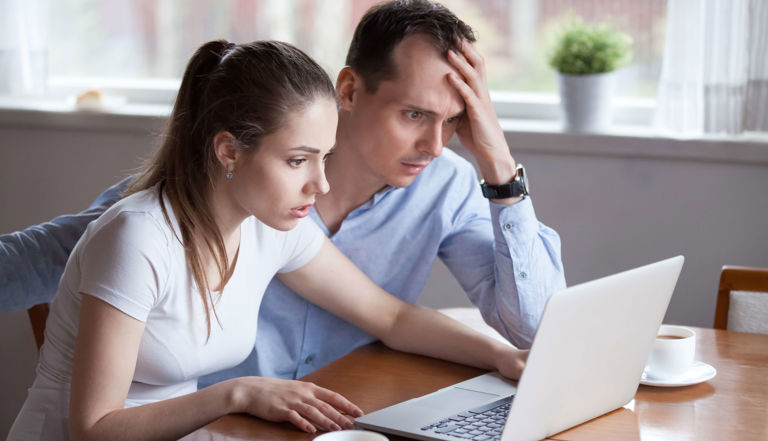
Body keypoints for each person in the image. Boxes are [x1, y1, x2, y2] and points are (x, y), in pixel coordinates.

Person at [1, 0, 563, 390]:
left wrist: (499, 166)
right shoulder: (196, 200)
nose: (436, 145)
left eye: (455, 121)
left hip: (343, 420)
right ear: (348, 89)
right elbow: (29, 264)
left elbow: (521, 330)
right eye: (414, 114)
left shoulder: (449, 186)